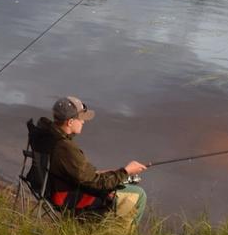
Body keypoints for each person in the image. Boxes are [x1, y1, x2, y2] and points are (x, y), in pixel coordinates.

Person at [27, 95, 148, 228]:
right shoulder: (65, 147)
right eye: (81, 119)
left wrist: (109, 173)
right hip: (67, 197)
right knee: (139, 194)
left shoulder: (48, 135)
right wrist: (126, 171)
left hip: (50, 189)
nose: (84, 122)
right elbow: (95, 183)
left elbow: (78, 173)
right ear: (70, 122)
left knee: (119, 183)